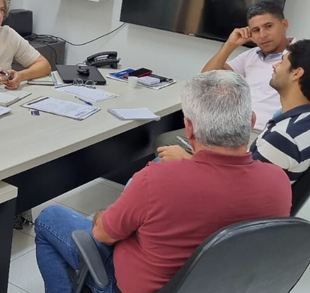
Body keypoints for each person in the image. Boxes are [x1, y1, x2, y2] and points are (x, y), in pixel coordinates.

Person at [35, 71, 291, 293]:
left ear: (189, 128)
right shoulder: (278, 181)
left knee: (49, 218)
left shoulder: (157, 179)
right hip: (226, 284)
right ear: (251, 121)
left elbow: (103, 234)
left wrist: (104, 214)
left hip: (138, 285)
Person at [156, 0, 294, 151]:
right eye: (256, 30)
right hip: (229, 128)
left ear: (284, 24)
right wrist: (230, 44)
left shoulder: (299, 55)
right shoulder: (251, 55)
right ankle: (199, 161)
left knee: (199, 153)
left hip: (262, 133)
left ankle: (198, 161)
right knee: (165, 141)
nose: (263, 35)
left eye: (268, 26)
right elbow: (206, 78)